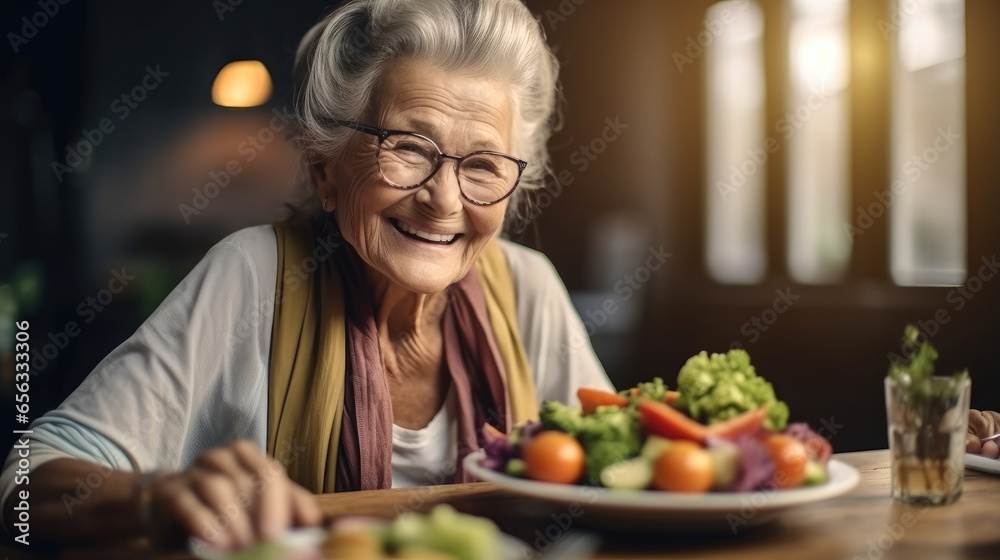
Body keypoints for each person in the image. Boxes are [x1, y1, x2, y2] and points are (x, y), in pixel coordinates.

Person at [0, 0, 613, 551]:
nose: (444, 201)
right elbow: (26, 486)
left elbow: (613, 464)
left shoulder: (529, 287)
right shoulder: (253, 276)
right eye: (407, 148)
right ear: (325, 169)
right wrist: (155, 497)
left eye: (481, 165)